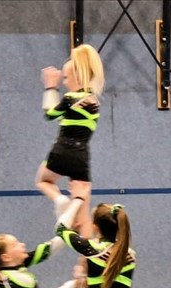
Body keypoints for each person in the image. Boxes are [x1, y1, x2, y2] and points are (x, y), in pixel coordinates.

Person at [36, 43, 105, 238]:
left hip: (62, 149)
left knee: (43, 180)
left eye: (66, 78)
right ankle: (88, 250)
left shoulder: (70, 98)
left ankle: (60, 200)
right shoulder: (94, 101)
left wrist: (51, 86)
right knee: (84, 216)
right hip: (82, 157)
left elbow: (50, 114)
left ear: (78, 77)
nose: (64, 82)